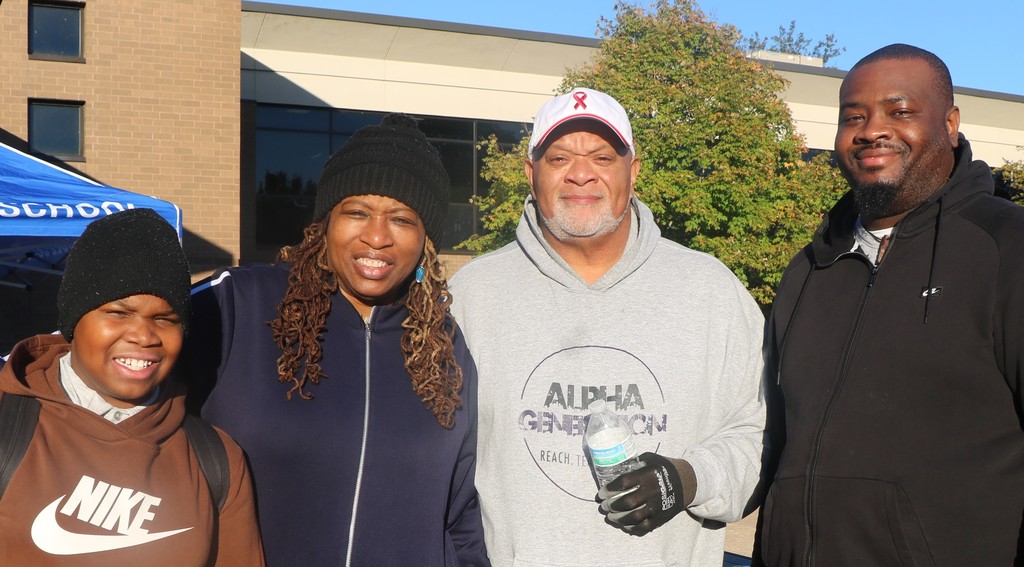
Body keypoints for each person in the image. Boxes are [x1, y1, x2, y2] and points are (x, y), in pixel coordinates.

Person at [448, 88, 766, 565]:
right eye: (559, 158)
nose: (581, 174)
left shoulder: (712, 292)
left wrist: (688, 478)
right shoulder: (470, 296)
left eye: (602, 156)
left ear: (632, 172)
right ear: (531, 173)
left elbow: (761, 431)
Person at [756, 44, 1024, 566]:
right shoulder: (809, 270)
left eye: (900, 112)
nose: (872, 130)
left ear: (950, 124)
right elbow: (775, 443)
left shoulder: (1006, 248)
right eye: (853, 116)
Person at [184, 113, 488, 566]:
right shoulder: (239, 304)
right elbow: (112, 376)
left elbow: (459, 515)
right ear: (325, 223)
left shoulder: (443, 347)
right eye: (357, 212)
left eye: (402, 220)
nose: (377, 237)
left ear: (426, 240)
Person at [0, 208, 264, 565]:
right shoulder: (7, 421)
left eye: (164, 319)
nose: (143, 336)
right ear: (74, 321)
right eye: (118, 313)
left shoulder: (217, 459)